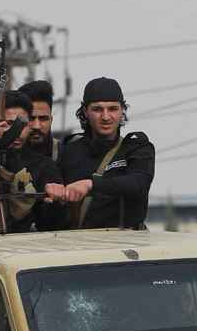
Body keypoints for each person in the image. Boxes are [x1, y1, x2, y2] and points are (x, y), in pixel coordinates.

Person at [55, 77, 154, 230]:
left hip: (127, 245)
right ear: (85, 112)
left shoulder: (136, 147)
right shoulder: (69, 150)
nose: (106, 117)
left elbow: (139, 183)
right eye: (97, 109)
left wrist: (90, 185)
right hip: (79, 246)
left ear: (122, 111)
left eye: (113, 109)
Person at [0, 89, 62, 233]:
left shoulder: (44, 165)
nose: (17, 131)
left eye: (23, 124)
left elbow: (54, 222)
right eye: (9, 123)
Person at [18, 79, 59, 162]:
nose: (36, 126)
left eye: (43, 118)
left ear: (51, 120)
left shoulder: (66, 156)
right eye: (30, 118)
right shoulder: (4, 156)